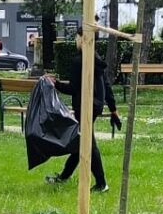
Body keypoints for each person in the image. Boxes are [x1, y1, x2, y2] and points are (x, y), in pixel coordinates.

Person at [47, 58, 122, 192]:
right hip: (96, 106)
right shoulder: (96, 59)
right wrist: (113, 109)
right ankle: (64, 176)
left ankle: (102, 184)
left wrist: (56, 84)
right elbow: (106, 85)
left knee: (88, 144)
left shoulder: (80, 61)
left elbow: (73, 88)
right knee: (82, 142)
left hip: (84, 107)